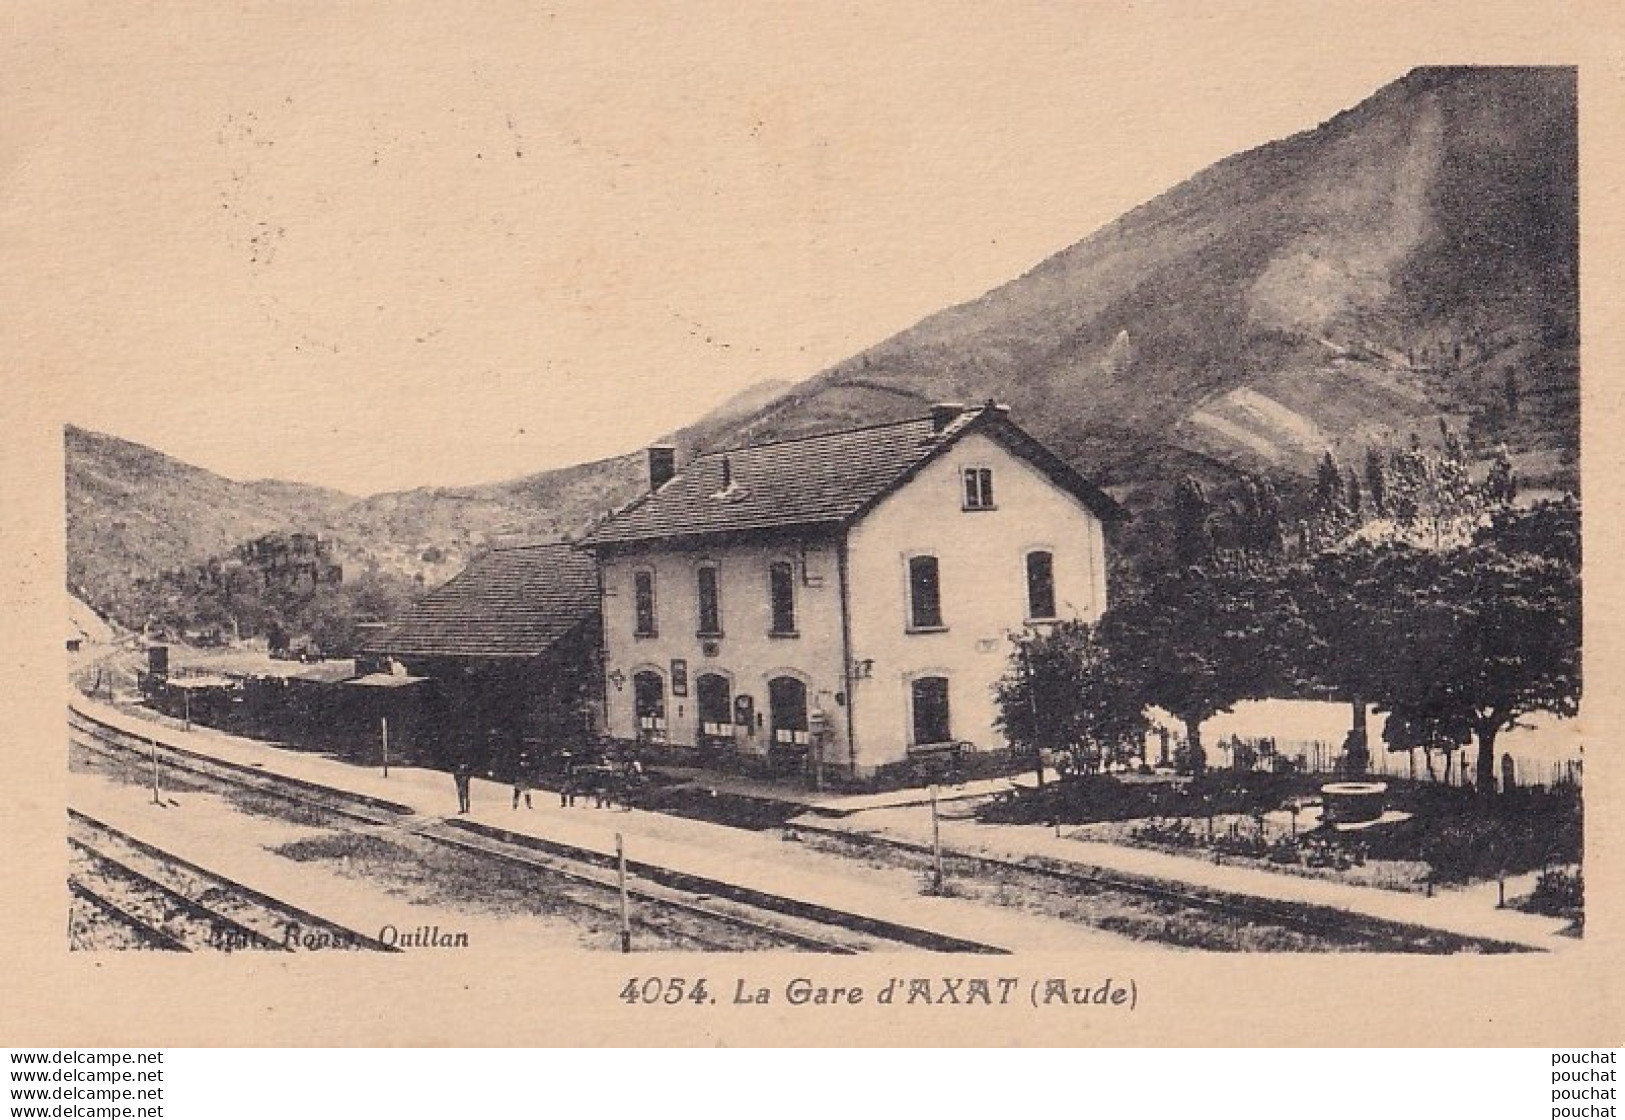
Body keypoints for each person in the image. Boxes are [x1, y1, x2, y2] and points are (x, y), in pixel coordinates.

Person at [512, 745, 535, 810]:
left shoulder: (522, 762)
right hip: (521, 779)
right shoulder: (521, 763)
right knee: (520, 792)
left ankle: (517, 805)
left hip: (522, 779)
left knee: (522, 793)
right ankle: (516, 805)